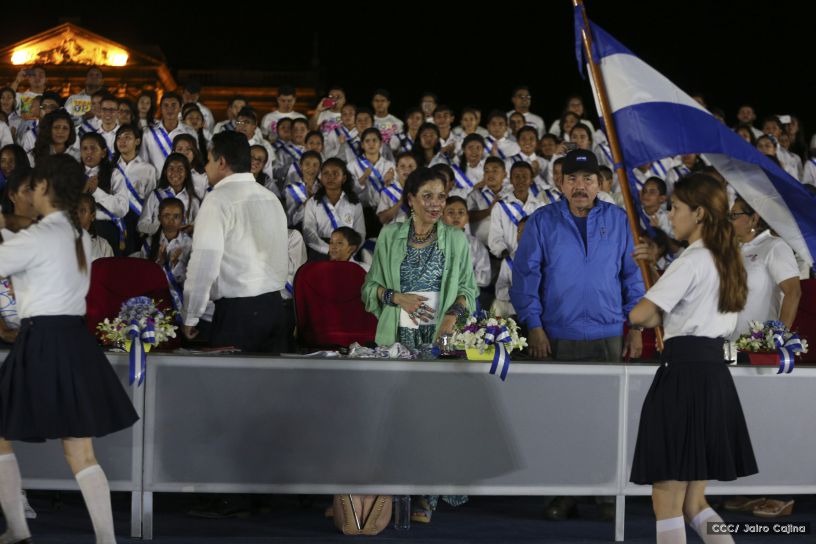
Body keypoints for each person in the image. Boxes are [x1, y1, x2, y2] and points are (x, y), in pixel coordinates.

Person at [0, 154, 139, 544]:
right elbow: (31, 241)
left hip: (42, 339)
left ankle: (17, 528)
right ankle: (106, 540)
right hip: (74, 341)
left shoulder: (40, 237)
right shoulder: (76, 233)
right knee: (81, 451)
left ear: (44, 187)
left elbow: (16, 252)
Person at [628, 173, 757, 544]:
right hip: (713, 376)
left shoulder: (692, 258)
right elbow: (665, 312)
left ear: (699, 213)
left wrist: (651, 303)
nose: (671, 215)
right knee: (695, 501)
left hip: (683, 378)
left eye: (676, 208)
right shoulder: (727, 257)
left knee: (667, 498)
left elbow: (640, 315)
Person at [182, 131, 289, 352]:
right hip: (276, 309)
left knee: (231, 385)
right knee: (270, 386)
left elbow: (204, 263)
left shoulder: (217, 199)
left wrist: (191, 315)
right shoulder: (271, 198)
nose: (206, 168)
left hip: (238, 314)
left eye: (209, 161)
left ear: (221, 162)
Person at [362, 166, 477, 348]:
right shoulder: (389, 235)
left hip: (442, 333)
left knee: (440, 375)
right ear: (410, 199)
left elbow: (468, 290)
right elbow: (370, 287)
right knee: (396, 377)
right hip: (396, 334)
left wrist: (450, 318)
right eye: (427, 196)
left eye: (441, 197)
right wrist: (399, 298)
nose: (436, 204)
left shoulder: (456, 238)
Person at [302, 158, 366, 260]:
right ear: (321, 178)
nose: (330, 177)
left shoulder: (354, 203)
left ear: (344, 178)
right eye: (326, 173)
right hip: (321, 252)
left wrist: (349, 252)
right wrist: (329, 250)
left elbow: (360, 233)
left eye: (335, 173)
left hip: (348, 253)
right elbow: (309, 234)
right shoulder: (313, 202)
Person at [81, 133, 128, 256]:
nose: (88, 152)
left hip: (106, 228)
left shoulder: (114, 174)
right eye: (84, 148)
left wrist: (96, 191)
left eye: (93, 148)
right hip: (78, 227)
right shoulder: (73, 174)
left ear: (103, 152)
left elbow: (122, 209)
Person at [488, 162, 545, 258]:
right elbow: (495, 237)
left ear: (531, 180)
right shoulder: (500, 206)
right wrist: (506, 255)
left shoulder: (541, 207)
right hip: (508, 260)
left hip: (535, 261)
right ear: (510, 180)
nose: (521, 180)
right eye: (517, 176)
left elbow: (544, 236)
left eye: (524, 176)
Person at [137, 153, 200, 236]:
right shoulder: (155, 195)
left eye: (180, 169)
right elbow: (141, 225)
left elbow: (198, 226)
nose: (175, 173)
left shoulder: (193, 200)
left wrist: (189, 228)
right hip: (156, 245)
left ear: (187, 173)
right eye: (171, 169)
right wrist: (162, 228)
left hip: (183, 246)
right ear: (165, 172)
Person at [139, 92, 197, 173]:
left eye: (173, 105)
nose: (169, 109)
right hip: (156, 183)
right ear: (161, 108)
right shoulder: (149, 133)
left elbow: (195, 162)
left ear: (180, 108)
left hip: (182, 181)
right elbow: (144, 162)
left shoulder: (190, 132)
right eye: (165, 105)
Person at [442, 196, 491, 290]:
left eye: (461, 212)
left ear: (467, 217)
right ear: (442, 216)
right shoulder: (433, 242)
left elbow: (485, 277)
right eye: (450, 212)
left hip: (466, 296)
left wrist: (460, 276)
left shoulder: (475, 245)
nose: (456, 216)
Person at [377, 152, 417, 225]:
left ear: (417, 169)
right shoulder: (388, 191)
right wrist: (401, 201)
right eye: (402, 166)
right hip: (394, 234)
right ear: (396, 169)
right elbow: (382, 219)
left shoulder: (422, 191)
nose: (407, 170)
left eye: (411, 166)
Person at [77, 193, 113, 261]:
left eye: (82, 211)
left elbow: (109, 270)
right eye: (75, 210)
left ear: (92, 216)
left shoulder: (103, 246)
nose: (77, 215)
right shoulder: (63, 240)